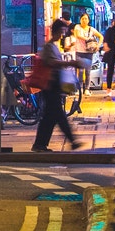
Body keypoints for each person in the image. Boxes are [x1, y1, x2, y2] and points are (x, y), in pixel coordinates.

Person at [32, 19, 88, 152]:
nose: (62, 35)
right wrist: (71, 63)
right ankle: (72, 140)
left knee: (50, 117)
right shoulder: (49, 47)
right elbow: (52, 63)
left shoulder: (53, 46)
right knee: (58, 115)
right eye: (61, 32)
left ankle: (40, 144)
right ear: (55, 32)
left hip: (53, 85)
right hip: (50, 85)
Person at [71, 14, 103, 100]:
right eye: (82, 19)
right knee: (80, 71)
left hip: (89, 52)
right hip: (79, 52)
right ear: (80, 20)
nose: (84, 20)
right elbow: (77, 35)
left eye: (86, 19)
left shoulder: (91, 29)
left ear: (88, 20)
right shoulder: (77, 27)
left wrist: (98, 45)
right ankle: (80, 88)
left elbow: (100, 36)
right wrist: (87, 38)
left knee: (88, 71)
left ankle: (87, 89)